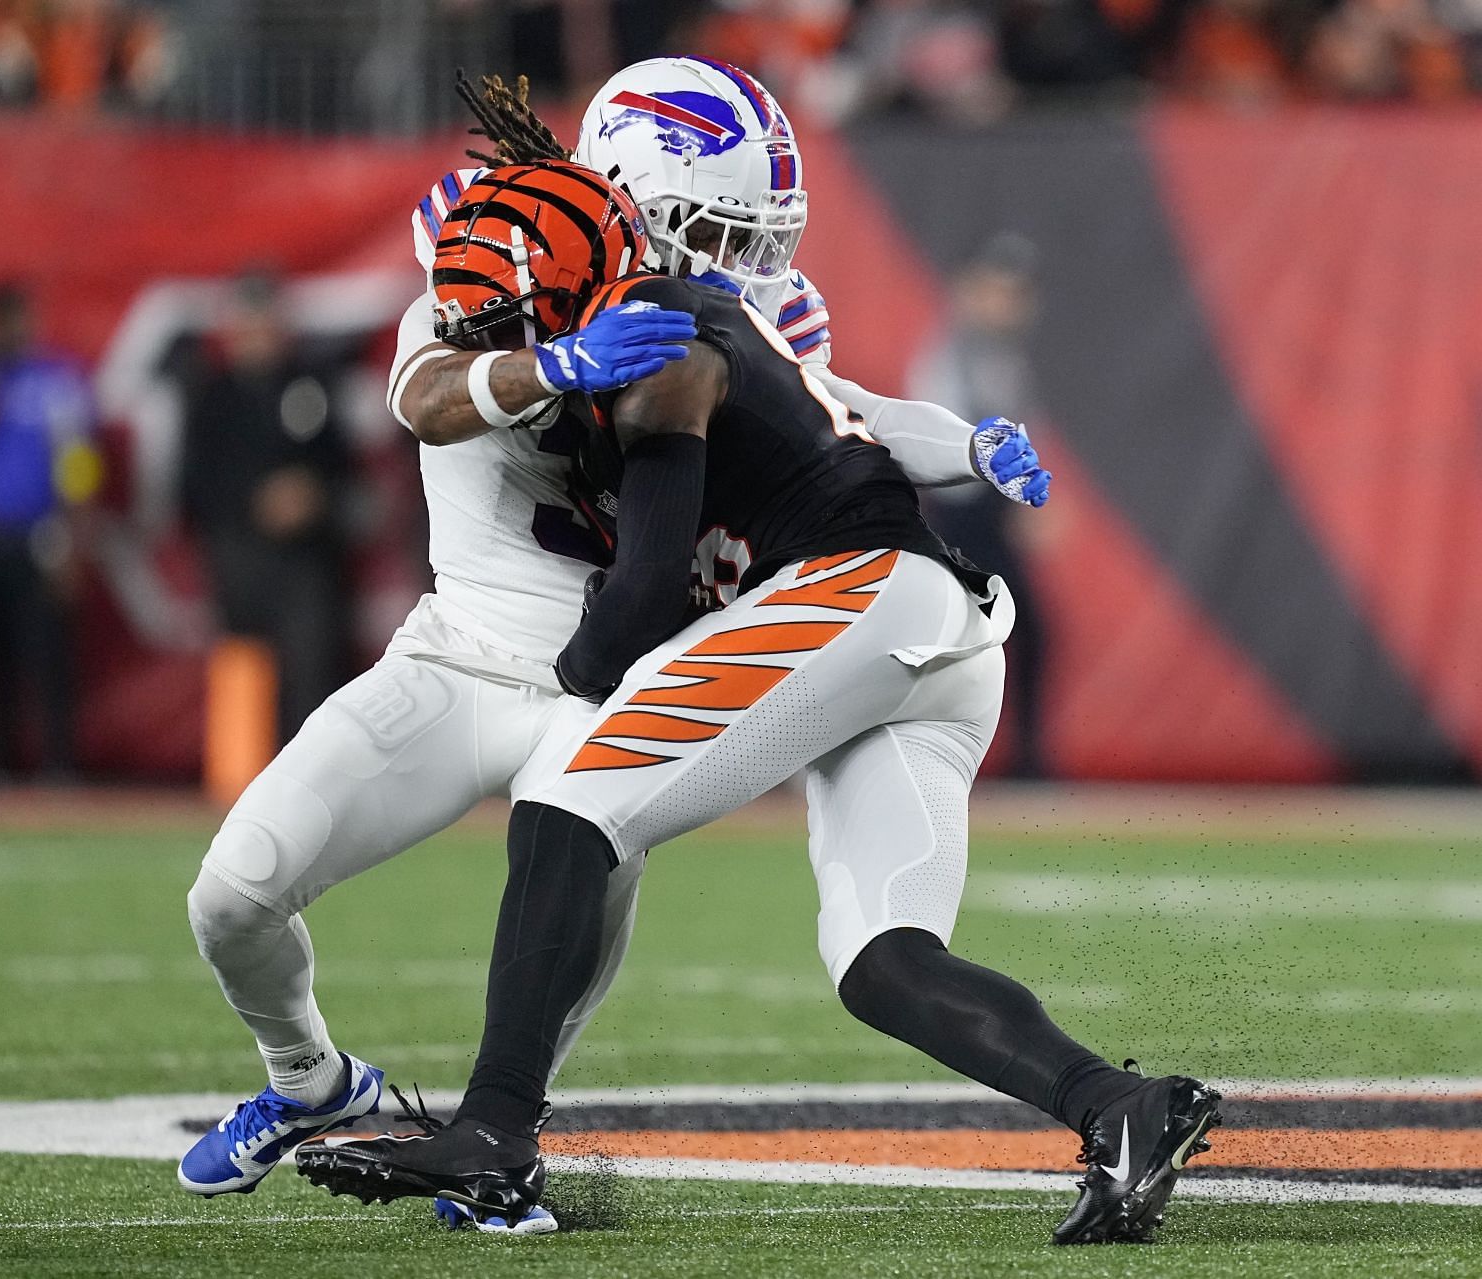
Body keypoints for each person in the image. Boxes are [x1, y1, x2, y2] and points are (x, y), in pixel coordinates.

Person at [177, 61, 1048, 1232]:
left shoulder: (732, 314)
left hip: (624, 673)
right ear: (633, 193)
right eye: (720, 228)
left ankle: (501, 1144)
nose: (748, 263)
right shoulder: (502, 254)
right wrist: (559, 363)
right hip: (462, 654)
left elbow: (848, 409)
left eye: (756, 234)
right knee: (232, 894)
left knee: (577, 847)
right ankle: (312, 1085)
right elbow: (428, 395)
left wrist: (970, 445)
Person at [296, 168, 1220, 1247]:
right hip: (939, 627)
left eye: (514, 312)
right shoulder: (696, 316)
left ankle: (495, 1133)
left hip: (852, 592)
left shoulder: (660, 346)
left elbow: (641, 593)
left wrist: (566, 685)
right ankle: (1119, 1107)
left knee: (565, 800)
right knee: (884, 964)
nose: (506, 338)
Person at [179, 271, 352, 741]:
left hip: (305, 558)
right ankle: (242, 787)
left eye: (265, 319)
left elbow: (342, 466)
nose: (257, 332)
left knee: (312, 668)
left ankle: (308, 780)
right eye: (248, 320)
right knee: (245, 672)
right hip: (239, 556)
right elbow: (192, 487)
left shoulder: (310, 385)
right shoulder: (211, 395)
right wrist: (254, 504)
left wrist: (310, 493)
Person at [0, 282, 96, 779]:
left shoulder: (57, 380)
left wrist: (74, 536)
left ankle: (57, 763)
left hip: (41, 533)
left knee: (47, 653)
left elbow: (78, 462)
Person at [909, 234, 1050, 776]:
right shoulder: (953, 355)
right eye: (996, 290)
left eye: (1015, 292)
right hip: (960, 514)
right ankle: (1001, 760)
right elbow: (950, 448)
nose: (1006, 303)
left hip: (984, 510)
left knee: (1000, 636)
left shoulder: (998, 357)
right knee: (971, 639)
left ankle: (1018, 759)